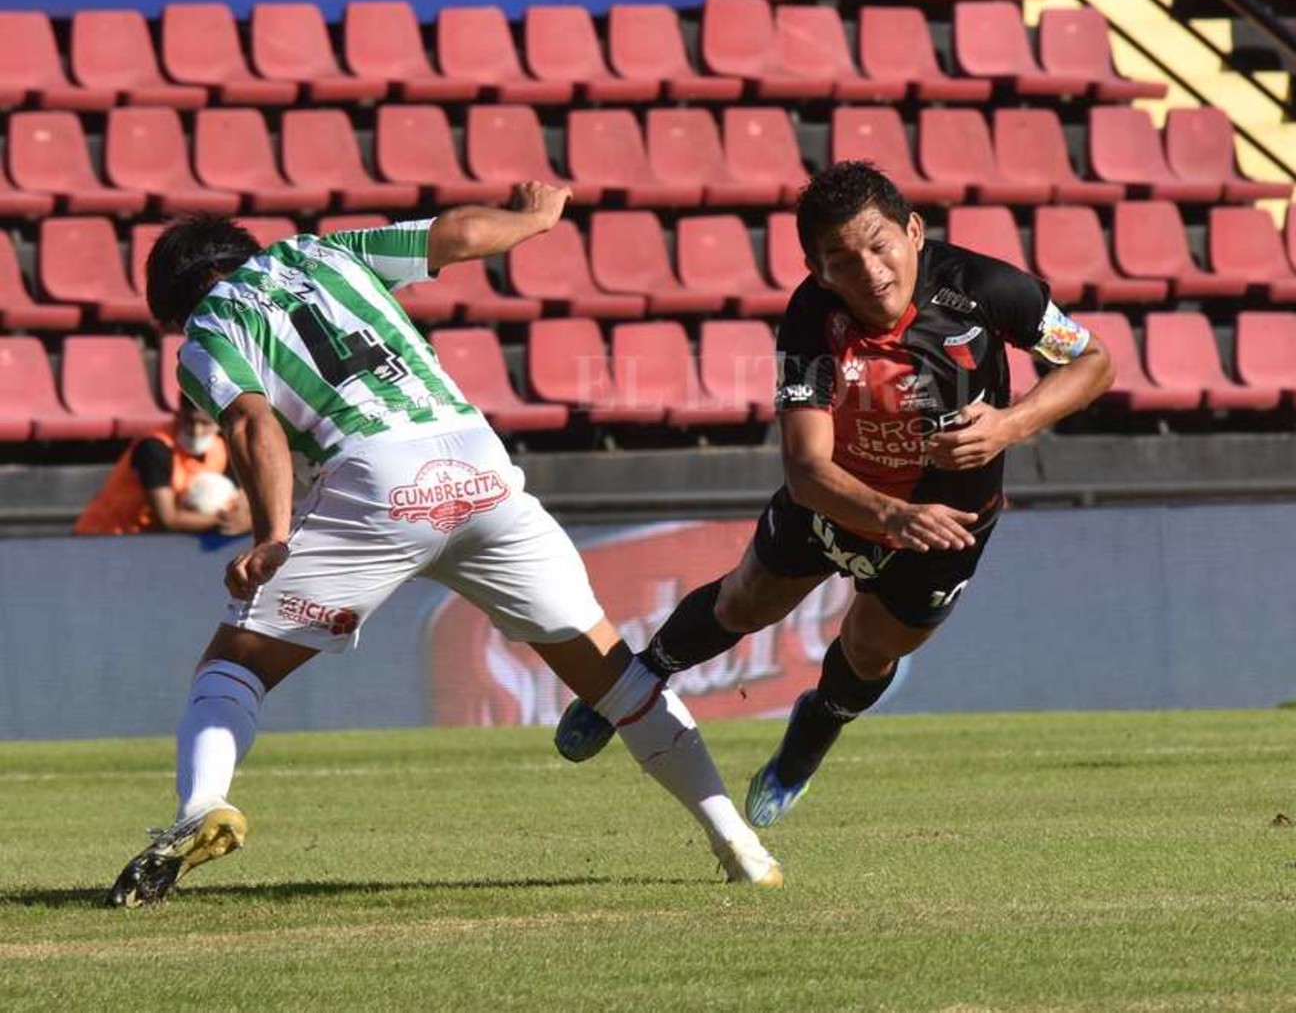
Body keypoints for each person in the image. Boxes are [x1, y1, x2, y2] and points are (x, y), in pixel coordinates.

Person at [108, 187, 783, 908]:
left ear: (178, 303)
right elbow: (455, 235)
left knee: (234, 665)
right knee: (613, 677)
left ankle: (202, 806)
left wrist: (271, 535)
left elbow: (250, 424)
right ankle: (738, 844)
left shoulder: (211, 327)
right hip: (478, 465)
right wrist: (535, 220)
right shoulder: (327, 253)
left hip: (374, 482)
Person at [553, 161, 1114, 829]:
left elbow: (1092, 361)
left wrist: (1009, 425)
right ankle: (631, 684)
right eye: (843, 261)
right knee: (747, 599)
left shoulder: (989, 288)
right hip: (845, 497)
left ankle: (808, 740)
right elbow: (806, 469)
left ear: (912, 230)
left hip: (952, 518)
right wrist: (892, 515)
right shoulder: (810, 318)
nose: (870, 271)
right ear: (817, 270)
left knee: (873, 646)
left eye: (880, 246)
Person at [74, 396, 250, 536]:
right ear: (178, 415)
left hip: (151, 541)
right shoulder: (154, 448)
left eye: (205, 424)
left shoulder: (221, 449)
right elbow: (169, 519)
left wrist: (246, 518)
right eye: (190, 421)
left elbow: (243, 498)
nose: (196, 431)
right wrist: (231, 521)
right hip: (107, 536)